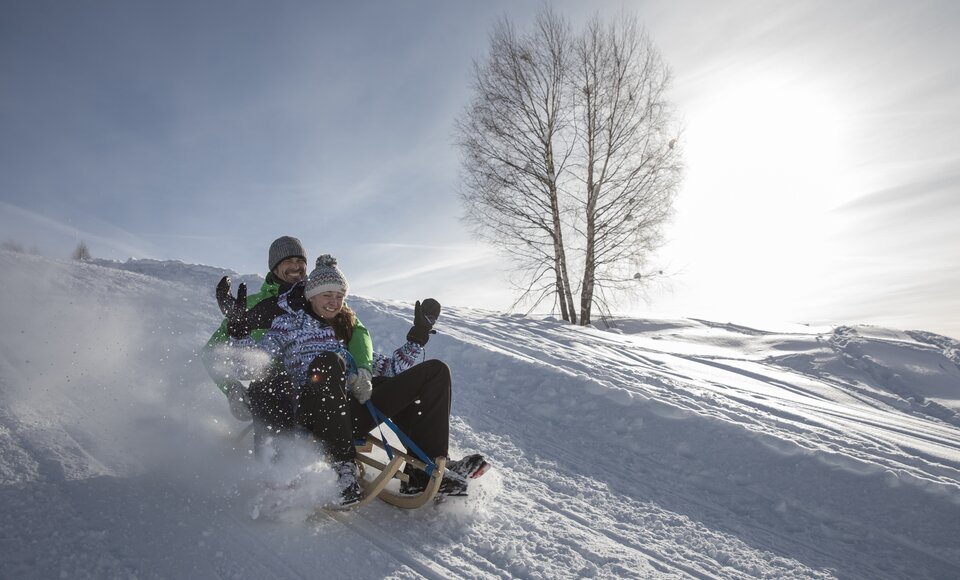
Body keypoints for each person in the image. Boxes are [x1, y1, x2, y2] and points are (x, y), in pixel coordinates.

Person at [217, 254, 488, 507]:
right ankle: (341, 465)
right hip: (312, 414)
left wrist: (417, 337)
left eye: (340, 295)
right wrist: (239, 330)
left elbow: (390, 368)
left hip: (351, 414)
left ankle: (426, 471)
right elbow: (251, 367)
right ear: (311, 295)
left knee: (435, 371)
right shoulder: (286, 327)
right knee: (328, 362)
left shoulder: (346, 329)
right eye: (327, 295)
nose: (335, 302)